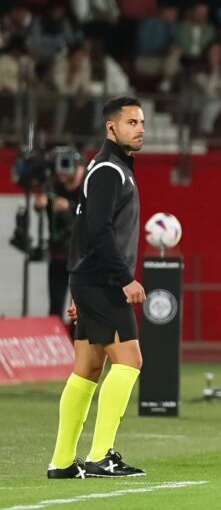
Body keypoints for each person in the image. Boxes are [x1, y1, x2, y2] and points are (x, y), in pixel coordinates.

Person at [47, 96, 146, 479]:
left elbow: (85, 231)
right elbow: (98, 230)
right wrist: (125, 278)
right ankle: (101, 456)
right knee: (130, 361)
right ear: (111, 127)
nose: (140, 129)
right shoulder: (107, 170)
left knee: (88, 368)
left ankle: (61, 462)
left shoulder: (110, 168)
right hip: (105, 281)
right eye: (132, 123)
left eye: (142, 122)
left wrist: (80, 288)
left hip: (90, 280)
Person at [33, 149, 85, 318]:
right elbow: (41, 202)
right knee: (56, 304)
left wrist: (69, 207)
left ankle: (76, 334)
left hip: (83, 255)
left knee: (80, 307)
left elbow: (94, 214)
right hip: (59, 252)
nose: (62, 172)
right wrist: (42, 203)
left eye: (66, 165)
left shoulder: (88, 184)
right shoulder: (53, 184)